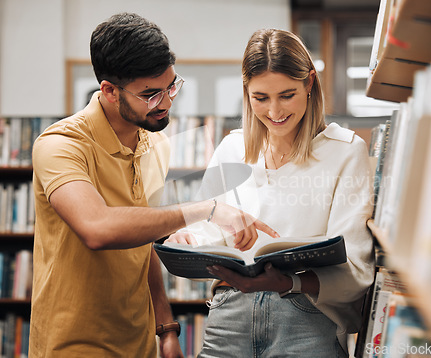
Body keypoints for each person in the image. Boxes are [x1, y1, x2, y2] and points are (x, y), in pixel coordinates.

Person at [29, 13, 278, 358]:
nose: (166, 102)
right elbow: (98, 228)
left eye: (172, 86)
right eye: (150, 94)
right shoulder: (60, 146)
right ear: (110, 91)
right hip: (73, 344)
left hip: (140, 341)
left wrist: (166, 327)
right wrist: (207, 209)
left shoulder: (155, 144)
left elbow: (141, 240)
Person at [166, 28, 375, 358]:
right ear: (246, 91)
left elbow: (357, 270)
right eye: (260, 98)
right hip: (229, 314)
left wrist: (286, 283)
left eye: (287, 95)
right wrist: (188, 240)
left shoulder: (346, 152)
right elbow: (205, 230)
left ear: (309, 83)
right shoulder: (232, 147)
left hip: (304, 317)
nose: (275, 112)